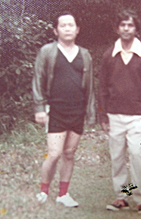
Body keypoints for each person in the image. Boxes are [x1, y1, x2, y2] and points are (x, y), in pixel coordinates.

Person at [32, 12, 95, 207]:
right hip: (55, 110)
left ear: (77, 30)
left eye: (71, 25)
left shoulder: (84, 54)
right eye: (63, 25)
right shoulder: (47, 51)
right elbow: (38, 80)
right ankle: (43, 190)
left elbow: (90, 86)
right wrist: (40, 108)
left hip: (77, 110)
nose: (67, 28)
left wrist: (90, 113)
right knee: (54, 153)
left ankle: (63, 194)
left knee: (69, 153)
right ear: (55, 30)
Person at [98, 9, 141, 216]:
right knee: (117, 156)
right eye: (122, 25)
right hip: (114, 115)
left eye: (130, 25)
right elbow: (102, 87)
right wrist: (103, 115)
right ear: (117, 28)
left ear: (136, 29)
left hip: (137, 117)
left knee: (137, 154)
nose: (126, 28)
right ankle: (121, 197)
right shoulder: (109, 54)